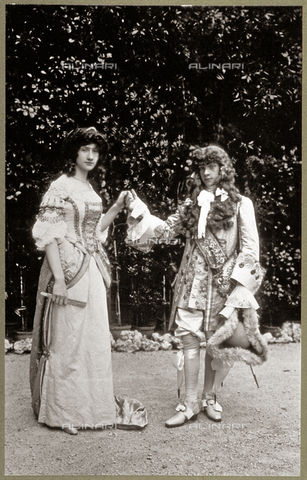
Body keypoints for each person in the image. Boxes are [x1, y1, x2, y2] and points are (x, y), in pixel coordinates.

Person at [125, 145, 268, 427]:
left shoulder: (241, 204)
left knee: (220, 342)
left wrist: (240, 287)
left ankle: (210, 397)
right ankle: (189, 403)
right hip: (191, 284)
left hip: (224, 285)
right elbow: (165, 231)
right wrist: (141, 212)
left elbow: (251, 249)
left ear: (223, 169)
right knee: (189, 339)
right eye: (202, 167)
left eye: (212, 167)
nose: (206, 172)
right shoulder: (192, 205)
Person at [29, 127, 141, 435]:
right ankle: (62, 412)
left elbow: (93, 234)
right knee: (66, 339)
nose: (91, 156)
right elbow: (49, 234)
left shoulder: (91, 191)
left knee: (90, 340)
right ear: (74, 154)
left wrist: (116, 207)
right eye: (85, 150)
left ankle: (91, 409)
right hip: (66, 267)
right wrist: (60, 280)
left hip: (90, 269)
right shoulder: (59, 186)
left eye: (95, 150)